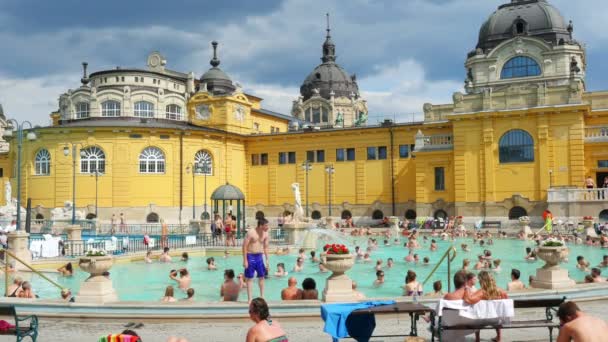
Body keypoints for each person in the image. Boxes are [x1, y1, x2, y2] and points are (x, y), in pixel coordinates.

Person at [463, 271, 508, 342]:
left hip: (482, 320)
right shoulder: (500, 291)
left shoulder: (481, 292)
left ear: (482, 281)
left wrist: (466, 288)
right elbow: (506, 300)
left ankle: (477, 339)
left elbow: (469, 300)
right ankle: (499, 337)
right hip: (496, 319)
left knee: (476, 315)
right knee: (496, 313)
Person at [243, 218, 270, 303]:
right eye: (266, 225)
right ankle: (250, 298)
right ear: (260, 225)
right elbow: (244, 247)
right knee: (249, 278)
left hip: (259, 256)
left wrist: (267, 260)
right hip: (250, 255)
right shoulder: (251, 232)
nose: (267, 227)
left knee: (261, 277)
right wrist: (245, 260)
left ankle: (262, 296)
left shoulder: (266, 234)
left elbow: (266, 247)